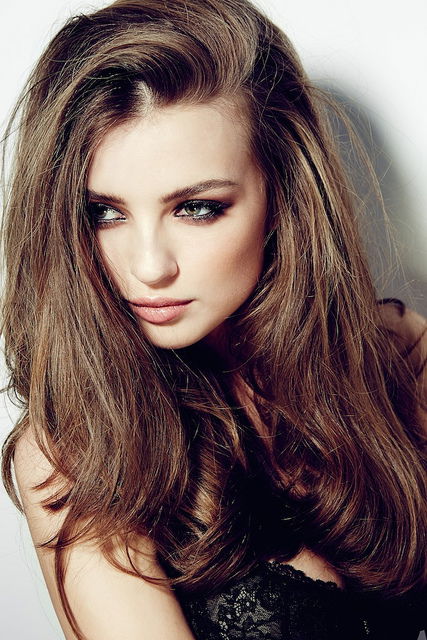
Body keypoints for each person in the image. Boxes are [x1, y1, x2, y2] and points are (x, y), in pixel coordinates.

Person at [1, 0, 426, 638]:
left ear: (282, 193)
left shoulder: (400, 353)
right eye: (104, 213)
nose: (149, 267)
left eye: (196, 208)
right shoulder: (78, 451)